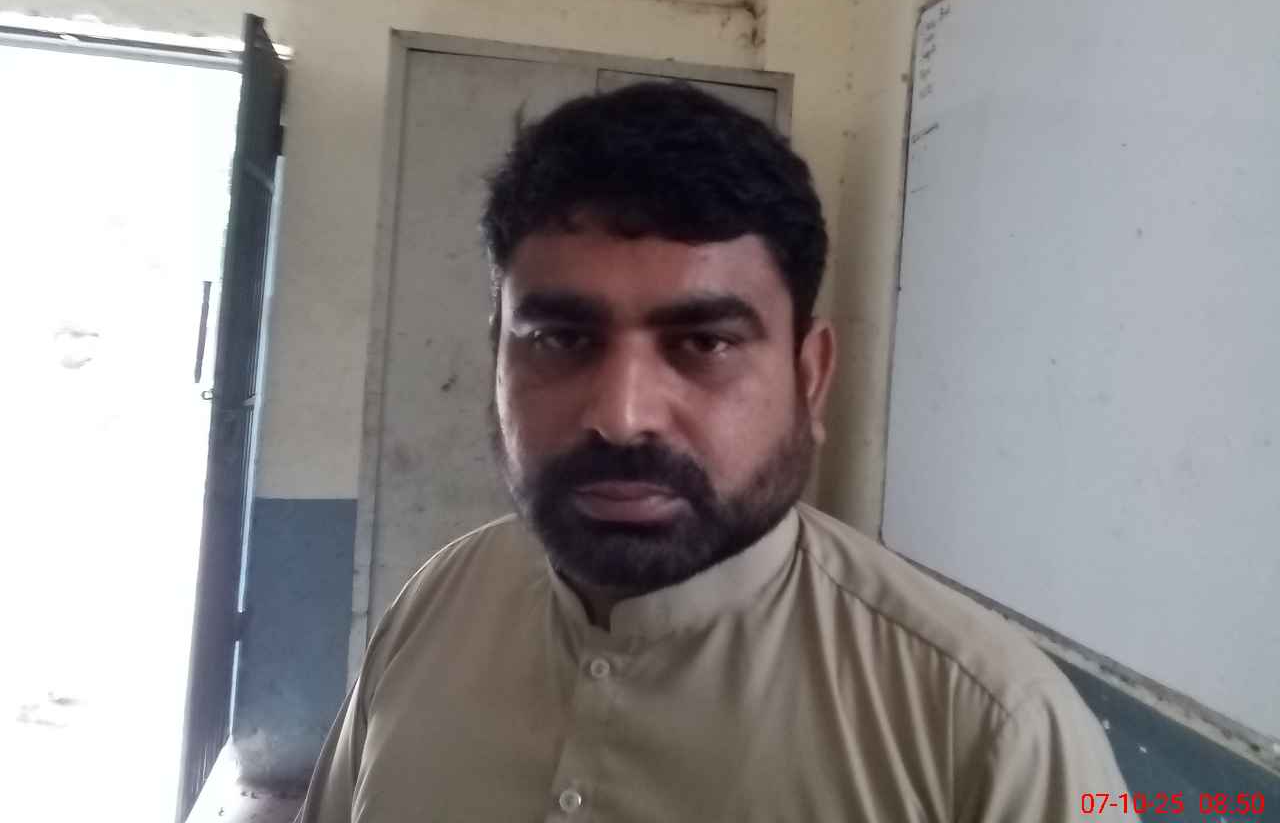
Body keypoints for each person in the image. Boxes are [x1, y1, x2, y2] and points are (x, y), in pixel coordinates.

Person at [297, 81, 1128, 821]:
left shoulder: (987, 730)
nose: (622, 418)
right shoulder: (436, 607)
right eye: (560, 339)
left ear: (811, 377)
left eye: (704, 343)